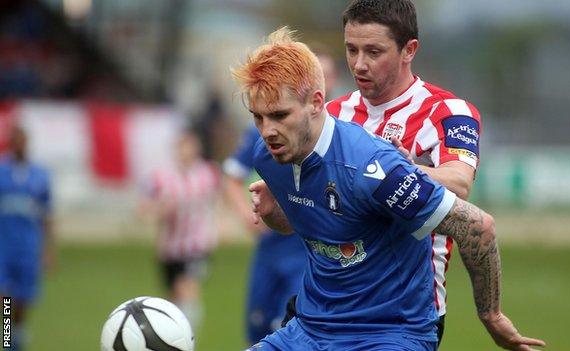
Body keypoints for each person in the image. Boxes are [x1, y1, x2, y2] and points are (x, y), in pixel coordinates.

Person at [232, 27, 545, 350]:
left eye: (280, 115)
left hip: (388, 334)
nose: (267, 131)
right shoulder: (267, 157)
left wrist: (490, 315)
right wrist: (275, 212)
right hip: (310, 329)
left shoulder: (371, 167)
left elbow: (476, 226)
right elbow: (308, 221)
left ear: (315, 103)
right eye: (258, 117)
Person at [282, 0, 482, 344]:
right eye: (351, 49)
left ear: (409, 50)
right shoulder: (332, 114)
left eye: (374, 51)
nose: (359, 64)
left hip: (400, 314)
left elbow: (459, 183)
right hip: (325, 304)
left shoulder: (447, 111)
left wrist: (397, 170)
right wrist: (278, 195)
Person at [224, 47, 339, 344]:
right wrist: (250, 216)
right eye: (258, 118)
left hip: (307, 254)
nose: (267, 128)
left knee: (289, 329)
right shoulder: (265, 135)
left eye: (326, 77)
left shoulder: (342, 138)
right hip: (270, 247)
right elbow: (231, 177)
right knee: (257, 329)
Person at [139, 129, 220, 332]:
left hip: (196, 245)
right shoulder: (161, 177)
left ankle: (187, 340)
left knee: (188, 290)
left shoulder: (208, 173)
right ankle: (171, 338)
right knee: (172, 300)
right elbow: (143, 208)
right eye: (182, 147)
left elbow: (219, 201)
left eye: (190, 146)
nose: (186, 151)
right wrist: (160, 210)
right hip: (169, 248)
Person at [0, 126, 55, 351]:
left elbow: (47, 214)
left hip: (28, 245)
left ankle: (16, 337)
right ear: (11, 143)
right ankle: (6, 337)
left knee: (22, 299)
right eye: (16, 140)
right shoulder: (2, 171)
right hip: (4, 245)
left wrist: (49, 250)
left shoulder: (40, 175)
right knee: (4, 296)